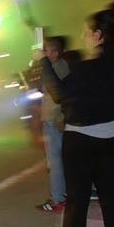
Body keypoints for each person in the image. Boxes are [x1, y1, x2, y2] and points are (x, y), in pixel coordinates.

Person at [41, 9, 114, 227]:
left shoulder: (88, 67)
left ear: (99, 35)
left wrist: (43, 62)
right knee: (112, 194)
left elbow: (60, 94)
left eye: (87, 31)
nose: (83, 35)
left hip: (83, 138)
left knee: (78, 196)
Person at [35, 36, 79, 213]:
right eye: (45, 50)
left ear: (57, 52)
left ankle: (58, 200)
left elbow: (62, 95)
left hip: (55, 121)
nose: (46, 53)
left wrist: (61, 117)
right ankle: (62, 196)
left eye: (49, 50)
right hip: (52, 119)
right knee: (57, 161)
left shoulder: (59, 67)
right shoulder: (54, 67)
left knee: (55, 163)